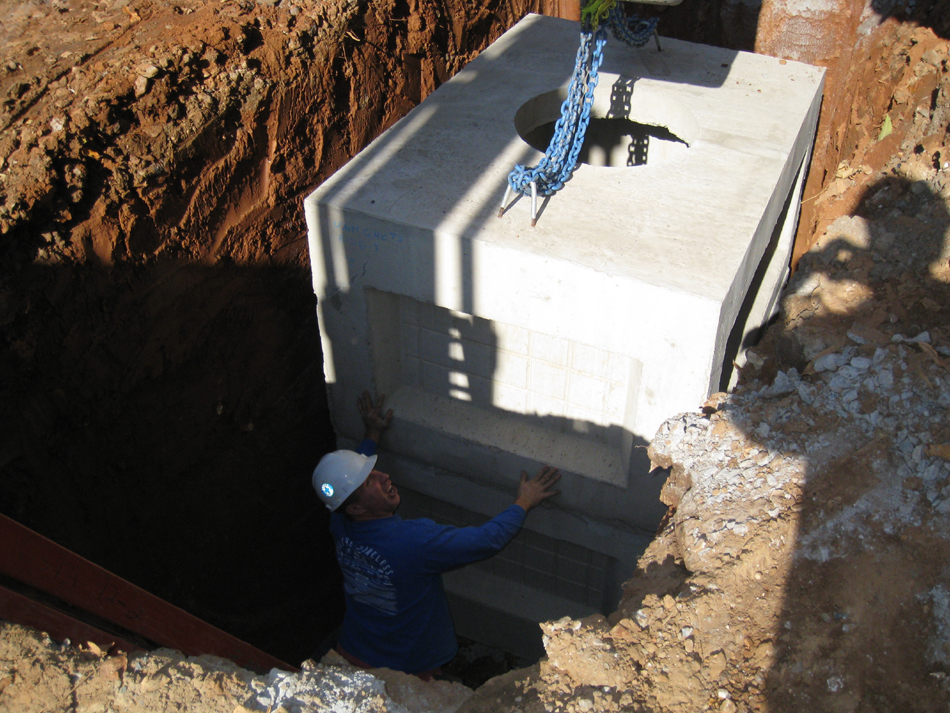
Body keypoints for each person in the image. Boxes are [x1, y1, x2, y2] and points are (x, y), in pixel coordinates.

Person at [312, 390, 561, 679]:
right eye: (371, 482)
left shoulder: (340, 521)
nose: (384, 477)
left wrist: (372, 433)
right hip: (405, 665)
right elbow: (486, 540)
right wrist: (524, 501)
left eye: (375, 471)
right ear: (355, 507)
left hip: (355, 646)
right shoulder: (413, 542)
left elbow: (348, 486)